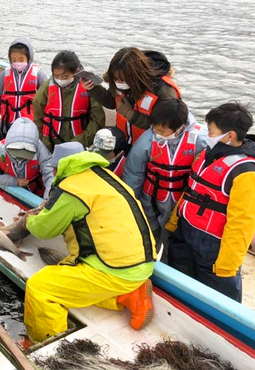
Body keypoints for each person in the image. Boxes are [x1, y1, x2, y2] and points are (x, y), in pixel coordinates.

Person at [23, 142, 156, 344]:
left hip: (112, 271)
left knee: (40, 287)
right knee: (67, 272)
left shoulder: (70, 188)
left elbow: (44, 229)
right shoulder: (107, 177)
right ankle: (128, 296)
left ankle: (47, 343)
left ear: (59, 167)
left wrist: (29, 219)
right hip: (141, 264)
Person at [166, 102, 255, 302]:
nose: (208, 135)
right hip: (185, 230)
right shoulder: (207, 155)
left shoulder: (245, 171)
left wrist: (227, 264)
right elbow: (191, 189)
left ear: (230, 136)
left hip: (212, 245)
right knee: (182, 287)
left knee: (218, 298)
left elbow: (242, 223)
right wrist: (174, 221)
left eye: (211, 131)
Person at [122, 99, 206, 251]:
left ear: (179, 128)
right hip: (151, 202)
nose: (156, 133)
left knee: (175, 242)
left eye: (161, 131)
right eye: (154, 128)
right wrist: (130, 203)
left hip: (181, 204)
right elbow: (133, 174)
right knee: (148, 237)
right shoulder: (147, 140)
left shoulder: (200, 140)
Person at [83, 47, 180, 146]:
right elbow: (112, 102)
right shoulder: (119, 81)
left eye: (122, 79)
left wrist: (130, 114)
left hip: (152, 145)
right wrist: (93, 88)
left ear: (136, 76)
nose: (118, 82)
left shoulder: (163, 91)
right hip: (125, 140)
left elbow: (165, 127)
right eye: (115, 79)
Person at [33, 50, 105, 152]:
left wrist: (79, 142)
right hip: (49, 144)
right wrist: (42, 142)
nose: (60, 80)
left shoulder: (89, 88)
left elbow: (97, 120)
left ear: (76, 72)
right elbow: (37, 117)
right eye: (56, 76)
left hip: (79, 145)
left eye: (65, 77)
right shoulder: (47, 88)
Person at [0, 37, 48, 139]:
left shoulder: (38, 75)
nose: (17, 63)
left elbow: (47, 100)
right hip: (8, 124)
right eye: (13, 60)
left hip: (30, 125)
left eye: (21, 60)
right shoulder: (5, 75)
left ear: (29, 58)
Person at [0, 117, 53, 199]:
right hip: (11, 193)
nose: (20, 156)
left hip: (37, 193)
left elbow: (50, 172)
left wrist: (48, 198)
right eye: (16, 152)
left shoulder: (40, 149)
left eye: (27, 153)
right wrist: (14, 181)